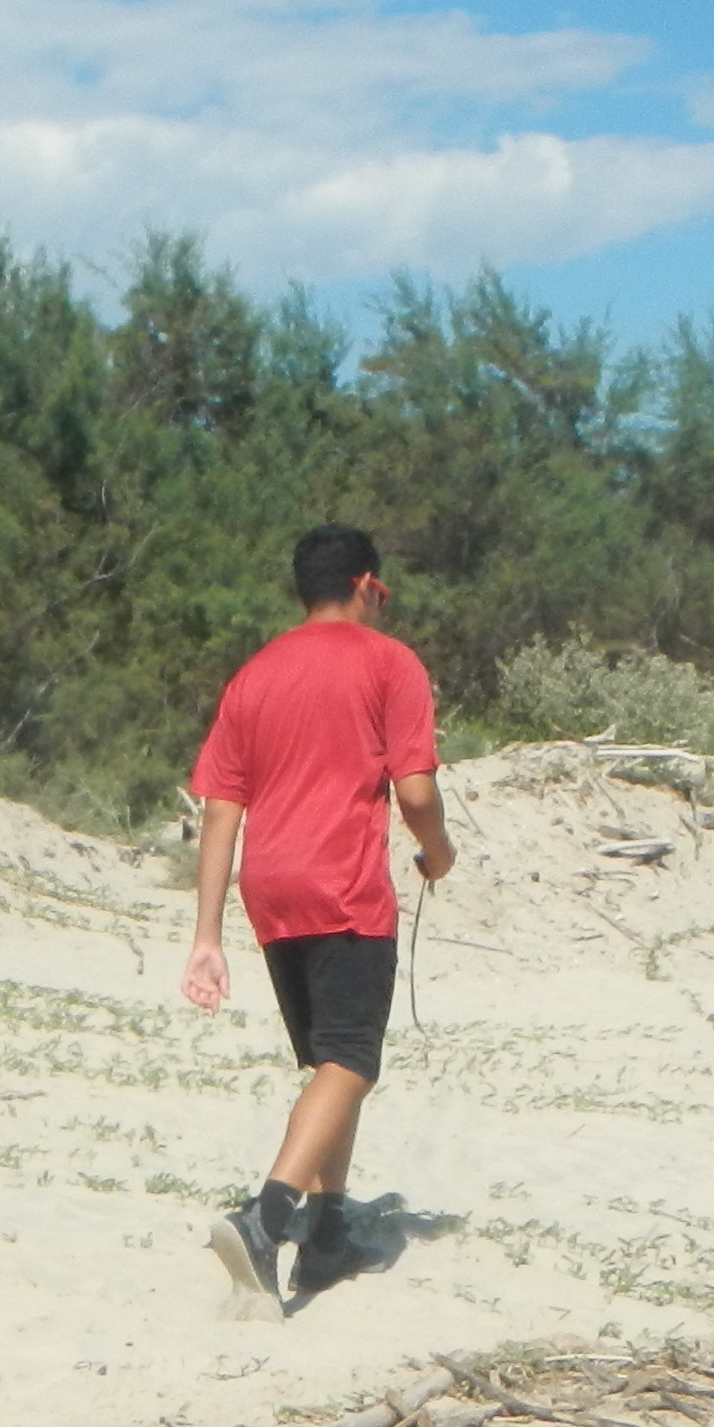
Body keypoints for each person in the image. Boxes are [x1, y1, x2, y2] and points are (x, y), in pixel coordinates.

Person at [181, 522, 456, 1307]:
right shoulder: (390, 663)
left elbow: (221, 810)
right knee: (352, 1061)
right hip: (344, 886)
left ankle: (329, 1234)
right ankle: (268, 1221)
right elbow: (415, 793)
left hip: (269, 889)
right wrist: (439, 853)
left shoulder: (254, 675)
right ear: (368, 585)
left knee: (327, 1065)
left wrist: (207, 937)